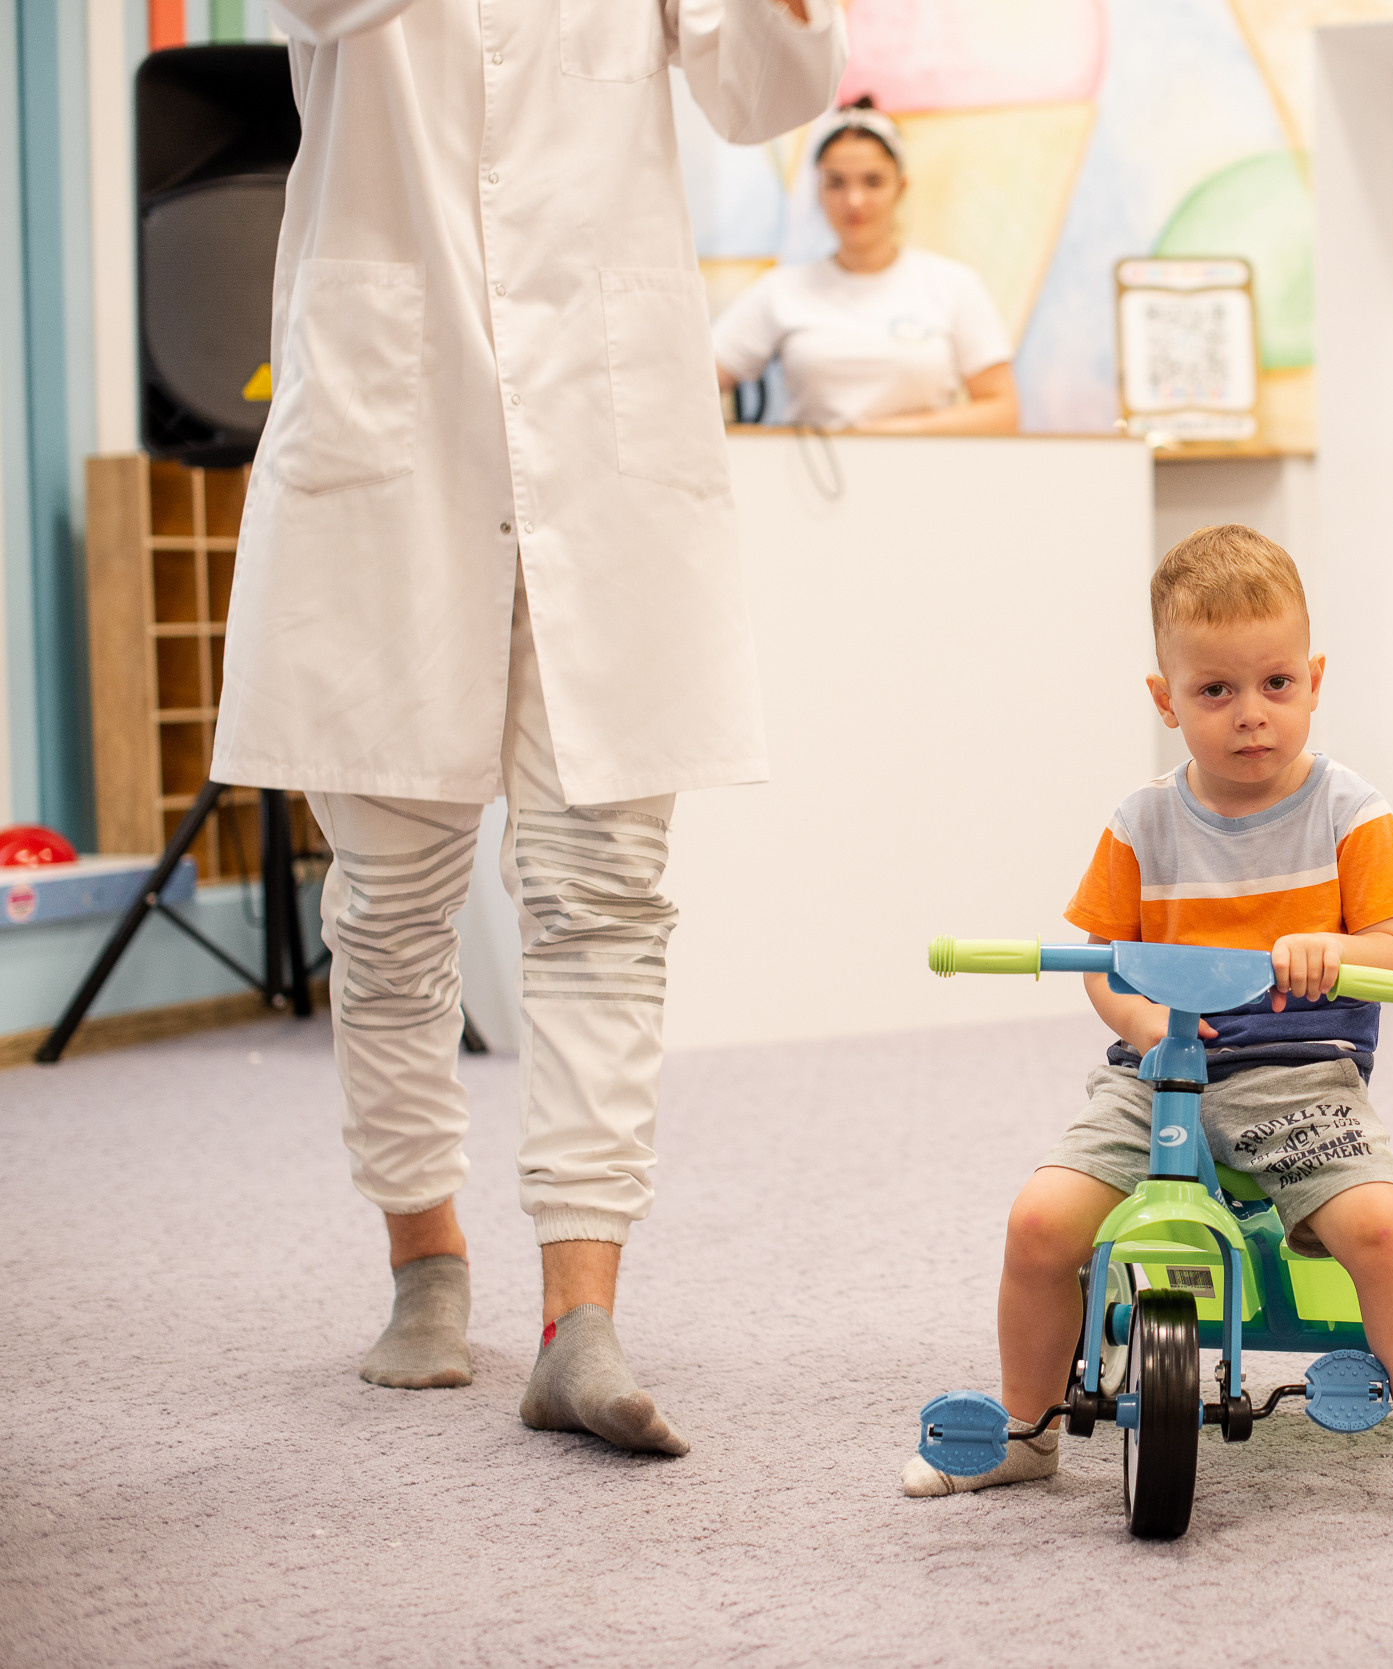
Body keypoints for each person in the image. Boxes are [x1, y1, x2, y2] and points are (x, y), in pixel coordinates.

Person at [213, 0, 842, 1453]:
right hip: (395, 434)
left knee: (604, 894)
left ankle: (580, 1317)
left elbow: (769, 90)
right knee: (393, 904)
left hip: (603, 440)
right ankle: (425, 1262)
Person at [896, 525, 1393, 1539]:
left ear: (1314, 680)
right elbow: (1102, 959)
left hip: (1297, 1079)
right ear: (1166, 699)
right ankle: (1026, 1430)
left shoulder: (1346, 809)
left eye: (1276, 683)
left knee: (1377, 1227)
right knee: (1039, 1225)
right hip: (1157, 1079)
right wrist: (1143, 1020)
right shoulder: (1140, 823)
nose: (1251, 716)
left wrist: (1336, 943)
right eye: (1216, 692)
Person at [712, 101, 1017, 434]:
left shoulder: (953, 285)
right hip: (812, 482)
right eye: (837, 183)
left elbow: (1002, 412)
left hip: (928, 477)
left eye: (872, 181)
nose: (854, 201)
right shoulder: (781, 290)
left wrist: (884, 435)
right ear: (819, 190)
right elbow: (696, 382)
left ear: (900, 187)